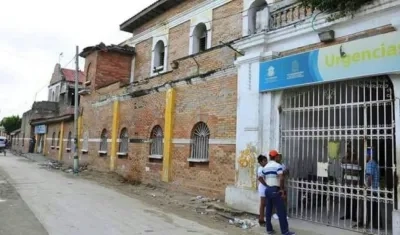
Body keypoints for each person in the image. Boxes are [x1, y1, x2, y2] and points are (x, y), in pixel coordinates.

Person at [263, 150, 295, 235]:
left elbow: (262, 176)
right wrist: (281, 189)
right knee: (281, 211)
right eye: (278, 156)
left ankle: (269, 229)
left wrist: (268, 185)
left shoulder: (265, 167)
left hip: (268, 190)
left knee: (268, 211)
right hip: (275, 190)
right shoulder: (278, 166)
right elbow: (281, 178)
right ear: (276, 156)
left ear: (269, 157)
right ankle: (285, 231)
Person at [358, 147, 382, 229]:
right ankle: (376, 224)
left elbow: (369, 177)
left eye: (366, 155)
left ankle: (364, 223)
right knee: (375, 207)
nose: (365, 156)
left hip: (370, 189)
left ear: (369, 155)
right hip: (376, 189)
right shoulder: (375, 163)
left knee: (365, 206)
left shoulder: (370, 164)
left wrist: (366, 187)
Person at [257, 154, 268, 226]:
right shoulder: (261, 168)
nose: (266, 162)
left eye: (266, 160)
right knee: (263, 204)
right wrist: (266, 185)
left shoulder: (264, 168)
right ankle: (261, 219)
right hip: (263, 188)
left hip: (265, 187)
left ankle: (262, 218)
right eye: (264, 161)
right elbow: (260, 178)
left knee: (264, 204)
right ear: (260, 162)